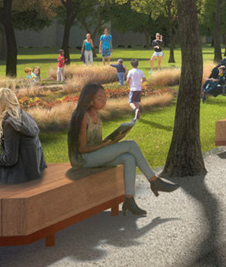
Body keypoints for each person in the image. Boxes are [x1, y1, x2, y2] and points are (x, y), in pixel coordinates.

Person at [68, 81, 176, 215]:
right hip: (82, 160)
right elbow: (82, 149)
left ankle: (129, 200)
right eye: (99, 99)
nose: (104, 102)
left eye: (105, 98)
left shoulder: (97, 115)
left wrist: (113, 140)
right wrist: (106, 144)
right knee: (130, 145)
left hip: (93, 156)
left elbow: (95, 144)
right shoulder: (82, 116)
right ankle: (154, 181)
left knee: (128, 158)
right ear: (89, 100)